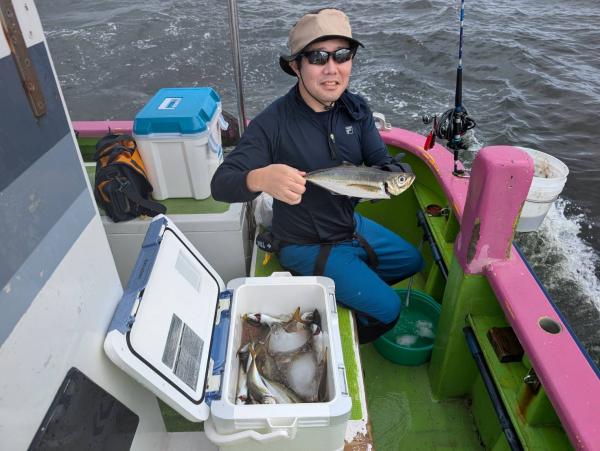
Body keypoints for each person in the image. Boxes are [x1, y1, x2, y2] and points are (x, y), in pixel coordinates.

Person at [211, 8, 423, 343]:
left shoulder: (356, 109)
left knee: (412, 261)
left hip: (349, 227)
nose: (332, 68)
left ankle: (346, 291)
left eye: (342, 55)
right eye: (318, 57)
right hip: (305, 243)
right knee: (388, 310)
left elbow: (381, 161)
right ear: (296, 65)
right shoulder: (273, 123)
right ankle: (331, 335)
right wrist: (260, 179)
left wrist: (396, 173)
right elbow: (221, 184)